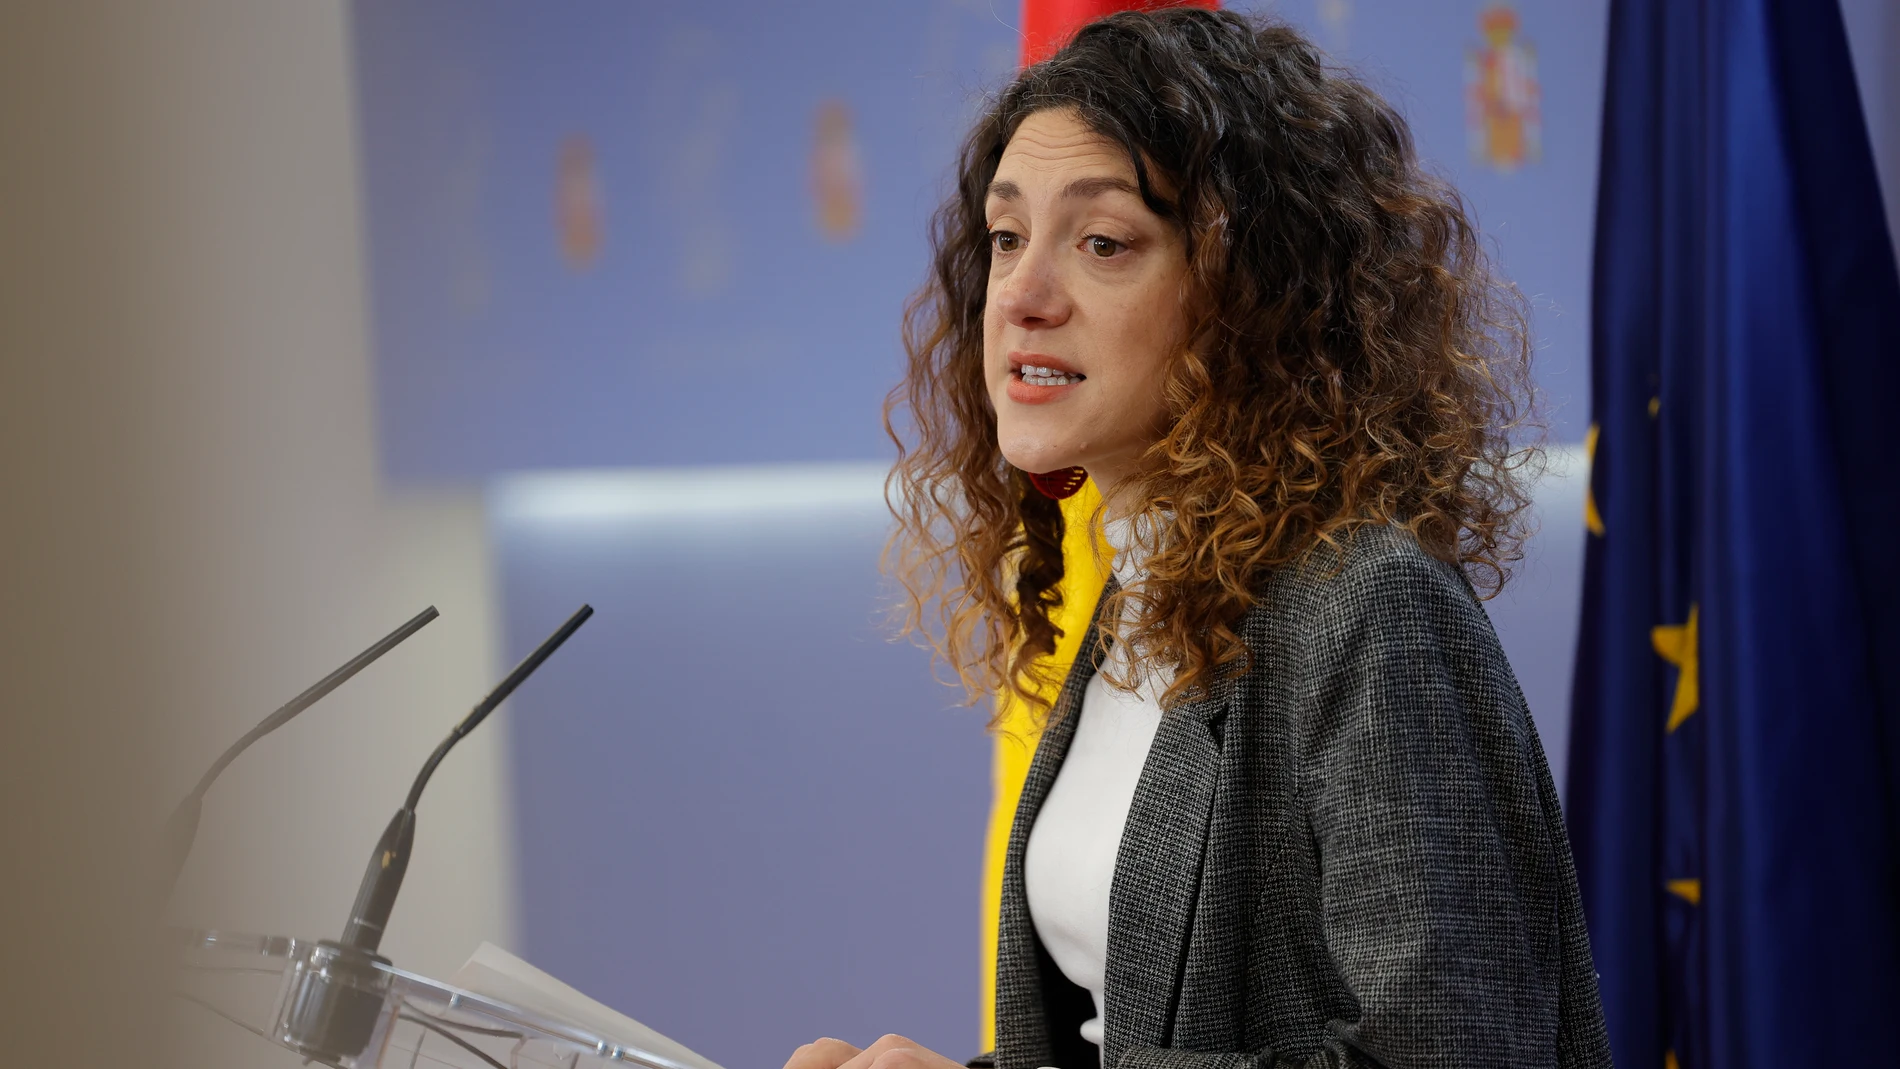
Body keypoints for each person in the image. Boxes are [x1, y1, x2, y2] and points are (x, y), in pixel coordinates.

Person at [790, 9, 1611, 1069]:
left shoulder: (1369, 606)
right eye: (1006, 238)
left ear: (1250, 295)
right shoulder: (1136, 595)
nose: (1023, 298)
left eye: (1102, 243)